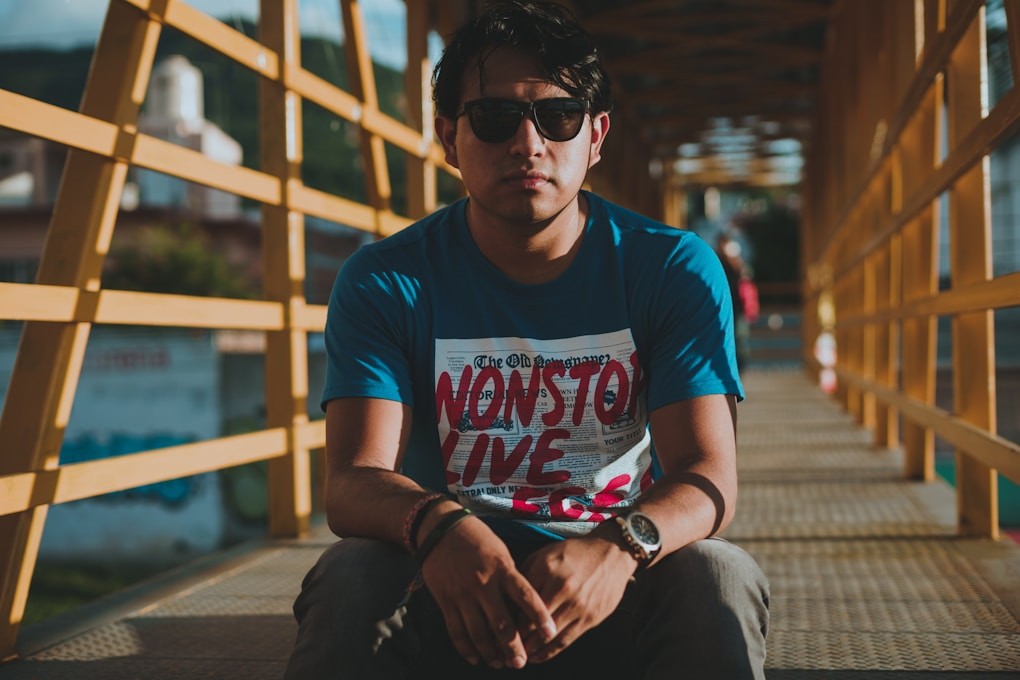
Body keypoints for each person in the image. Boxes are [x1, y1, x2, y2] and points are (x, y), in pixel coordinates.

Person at [284, 2, 769, 678]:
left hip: (610, 587)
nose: (529, 143)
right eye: (495, 117)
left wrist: (621, 546)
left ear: (595, 137)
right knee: (353, 574)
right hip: (450, 585)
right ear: (448, 137)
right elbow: (352, 482)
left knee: (717, 574)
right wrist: (438, 527)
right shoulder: (387, 281)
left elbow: (709, 475)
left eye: (559, 116)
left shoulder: (670, 268)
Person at [716, 233, 758, 373]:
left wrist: (738, 263)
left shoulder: (738, 265)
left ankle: (738, 372)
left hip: (738, 310)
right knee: (727, 343)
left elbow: (747, 279)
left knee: (740, 344)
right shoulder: (717, 262)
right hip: (723, 310)